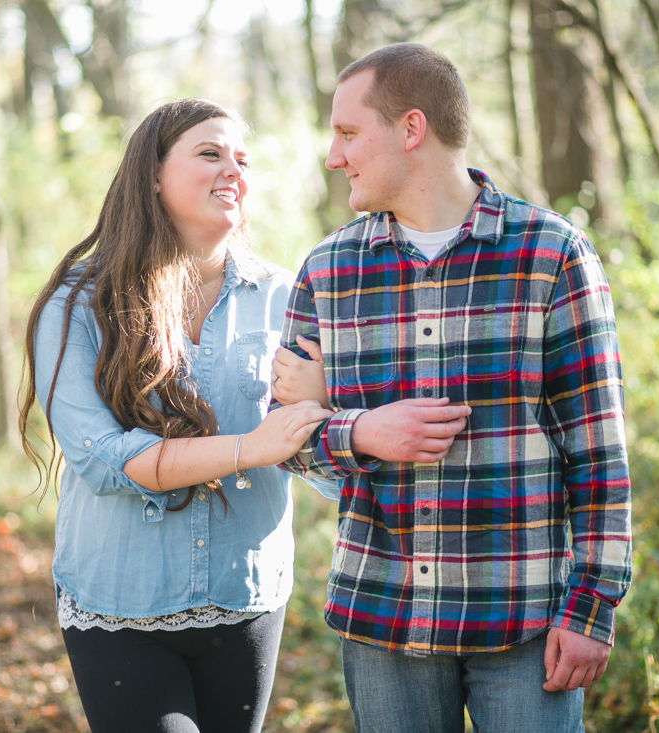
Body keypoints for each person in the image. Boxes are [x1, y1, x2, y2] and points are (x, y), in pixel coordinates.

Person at [271, 43, 632, 733]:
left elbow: (598, 452)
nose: (332, 155)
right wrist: (359, 431)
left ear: (411, 129)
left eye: (348, 133)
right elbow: (285, 440)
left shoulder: (551, 254)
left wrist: (592, 607)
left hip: (524, 624)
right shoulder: (327, 270)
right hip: (383, 620)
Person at [17, 98, 335, 733]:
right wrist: (252, 447)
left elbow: (327, 464)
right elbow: (105, 460)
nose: (233, 171)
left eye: (242, 159)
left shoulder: (287, 296)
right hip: (120, 603)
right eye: (210, 153)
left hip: (247, 598)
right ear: (153, 174)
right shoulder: (78, 304)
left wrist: (322, 403)